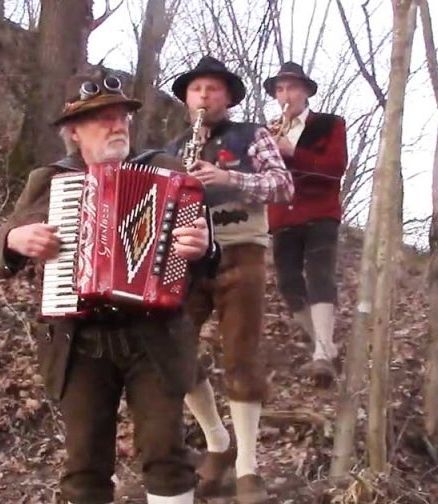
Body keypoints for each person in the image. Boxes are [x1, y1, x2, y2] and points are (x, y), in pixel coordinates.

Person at [0, 68, 220, 504]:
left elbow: (209, 259)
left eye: (122, 116)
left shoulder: (166, 172)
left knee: (166, 454)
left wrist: (202, 248)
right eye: (102, 118)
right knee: (85, 466)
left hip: (154, 336)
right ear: (74, 132)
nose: (117, 125)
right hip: (80, 343)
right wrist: (15, 241)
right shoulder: (50, 181)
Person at [165, 56, 294, 503]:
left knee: (241, 354)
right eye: (197, 89)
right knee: (172, 349)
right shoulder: (176, 145)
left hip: (242, 250)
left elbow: (283, 186)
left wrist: (228, 177)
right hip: (189, 259)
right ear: (185, 98)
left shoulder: (251, 135)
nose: (204, 96)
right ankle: (218, 442)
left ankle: (247, 469)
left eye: (213, 89)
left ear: (229, 97)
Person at [264, 61, 348, 385]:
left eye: (292, 88)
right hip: (283, 216)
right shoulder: (270, 130)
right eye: (280, 89)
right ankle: (325, 348)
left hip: (320, 212)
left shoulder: (329, 124)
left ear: (305, 92)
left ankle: (321, 354)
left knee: (319, 275)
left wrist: (292, 151)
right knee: (287, 284)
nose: (286, 95)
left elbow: (334, 167)